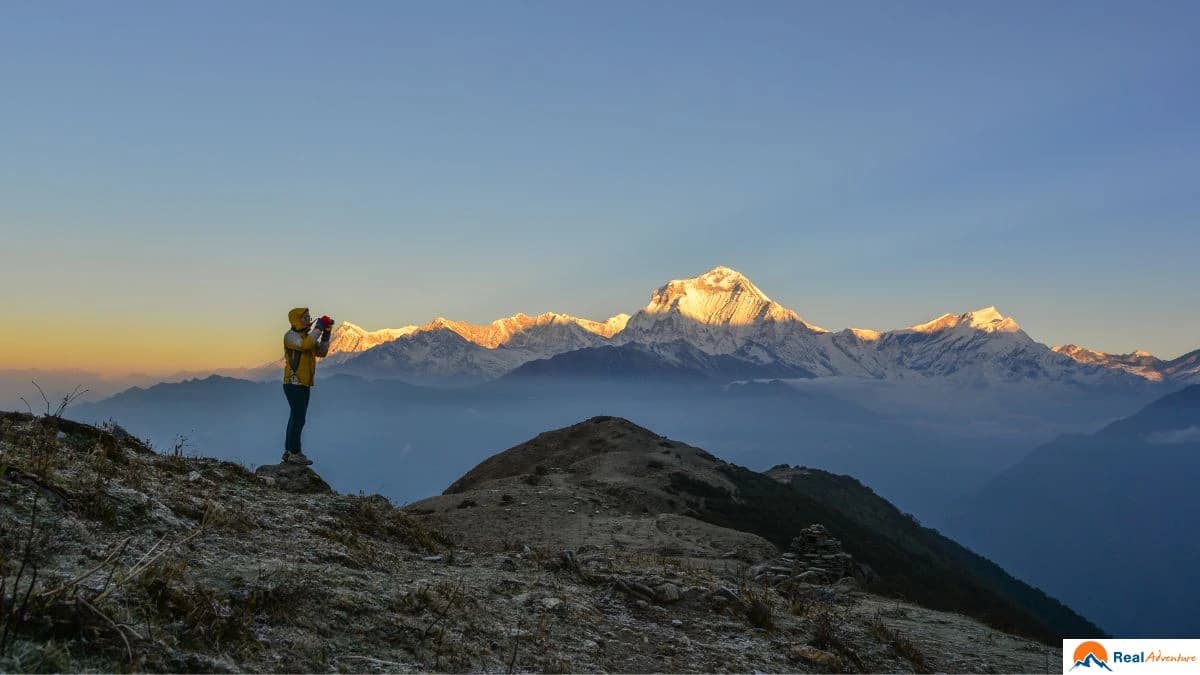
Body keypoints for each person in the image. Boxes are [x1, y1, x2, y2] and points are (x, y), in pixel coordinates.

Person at [282, 307, 332, 465]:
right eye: (305, 317)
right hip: (293, 383)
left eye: (309, 316)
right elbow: (305, 346)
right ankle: (294, 452)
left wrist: (326, 333)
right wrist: (319, 327)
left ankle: (290, 451)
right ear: (296, 319)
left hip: (304, 383)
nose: (308, 319)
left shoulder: (306, 336)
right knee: (299, 418)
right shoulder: (291, 336)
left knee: (296, 418)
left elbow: (322, 352)